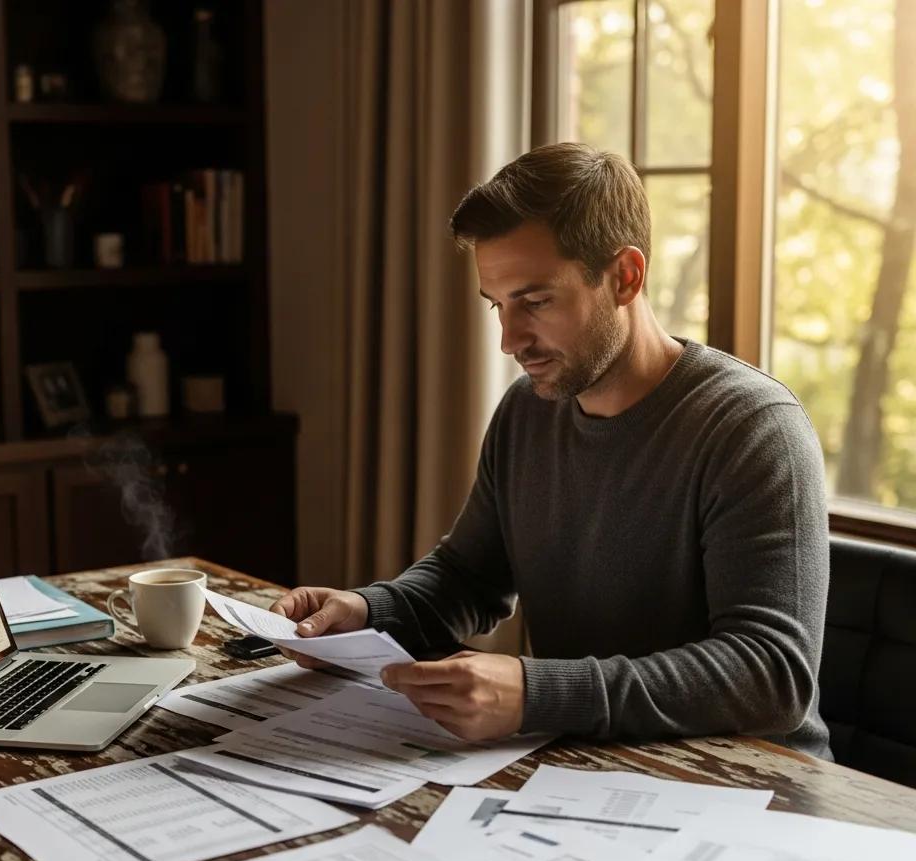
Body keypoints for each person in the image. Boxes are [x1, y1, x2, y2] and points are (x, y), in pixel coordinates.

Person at [273, 142, 832, 759]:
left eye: (536, 302)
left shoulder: (754, 428)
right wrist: (367, 610)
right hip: (586, 762)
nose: (510, 340)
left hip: (752, 785)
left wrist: (537, 693)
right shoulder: (528, 410)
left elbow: (771, 676)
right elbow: (469, 577)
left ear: (626, 277)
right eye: (499, 305)